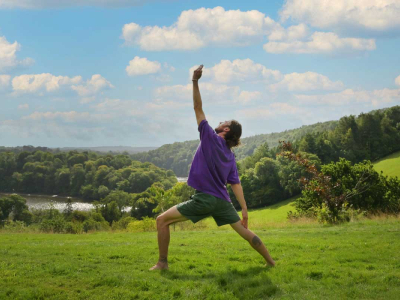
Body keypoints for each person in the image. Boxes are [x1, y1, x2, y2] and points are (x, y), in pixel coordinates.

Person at [149, 65, 275, 270]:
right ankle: (271, 262)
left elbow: (198, 108)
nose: (219, 122)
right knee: (245, 232)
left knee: (161, 220)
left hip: (205, 198)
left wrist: (195, 81)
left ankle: (162, 263)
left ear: (226, 129)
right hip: (222, 201)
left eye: (223, 122)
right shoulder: (230, 156)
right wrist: (244, 209)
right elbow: (236, 184)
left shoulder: (210, 137)